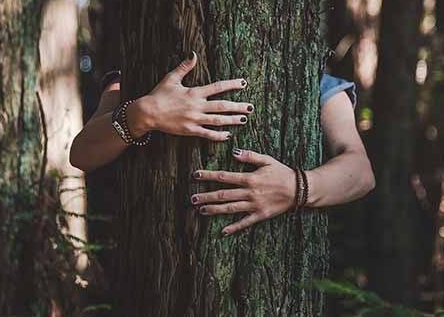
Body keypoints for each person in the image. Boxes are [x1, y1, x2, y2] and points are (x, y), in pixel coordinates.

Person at [70, 51, 375, 236]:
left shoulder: (313, 82)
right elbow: (82, 153)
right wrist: (145, 113)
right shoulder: (135, 74)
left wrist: (297, 187)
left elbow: (360, 171)